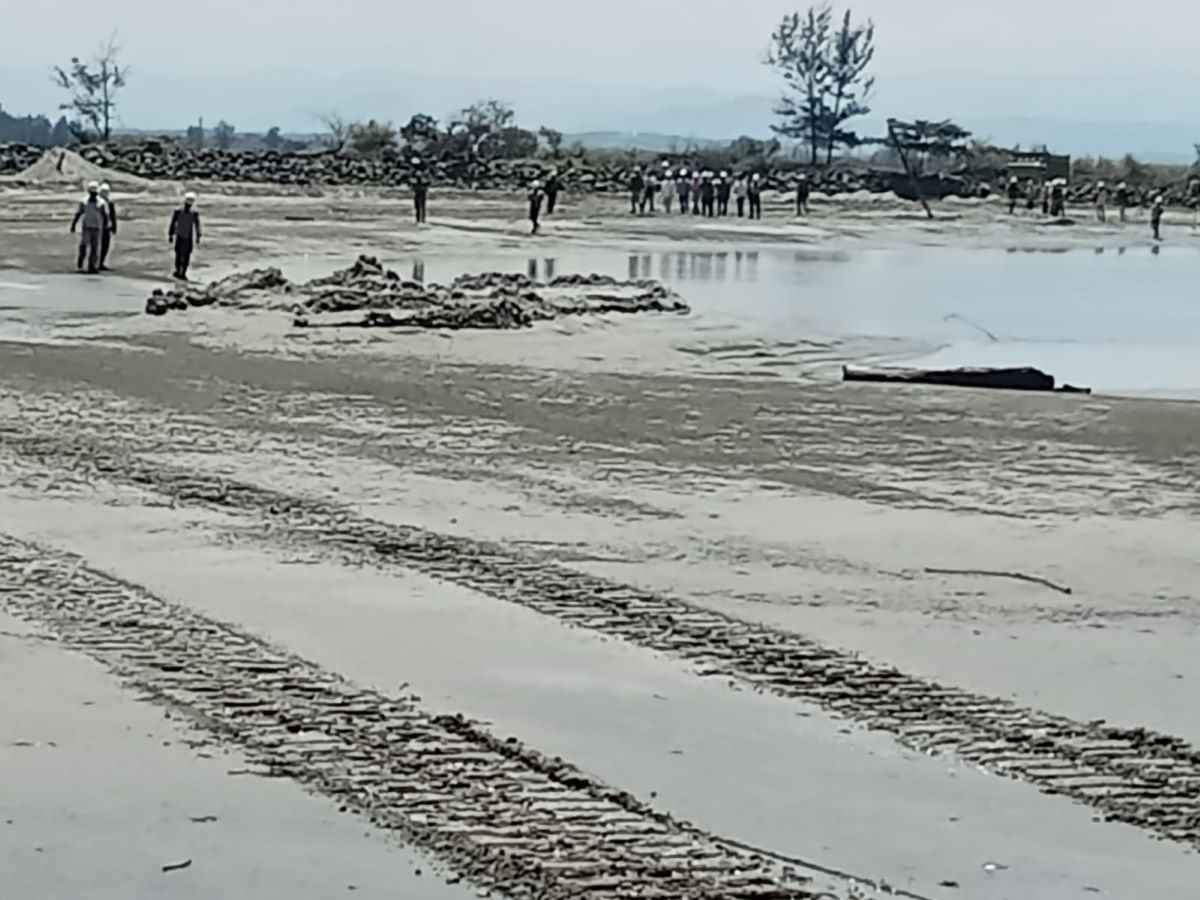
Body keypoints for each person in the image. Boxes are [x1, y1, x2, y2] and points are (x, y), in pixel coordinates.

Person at [70, 181, 108, 274]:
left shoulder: (101, 202)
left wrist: (106, 225)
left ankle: (92, 266)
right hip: (86, 227)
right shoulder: (84, 201)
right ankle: (80, 265)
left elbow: (105, 215)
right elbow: (79, 213)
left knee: (95, 248)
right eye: (92, 192)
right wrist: (74, 224)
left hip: (97, 227)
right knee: (83, 246)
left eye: (94, 193)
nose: (93, 194)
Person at [168, 191, 202, 280]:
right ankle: (178, 271)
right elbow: (173, 223)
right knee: (178, 254)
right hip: (180, 235)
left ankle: (182, 273)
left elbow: (197, 225)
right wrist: (171, 234)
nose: (189, 205)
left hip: (188, 237)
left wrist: (198, 236)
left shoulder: (194, 213)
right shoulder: (178, 211)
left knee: (186, 255)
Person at [98, 182, 118, 270]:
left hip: (107, 227)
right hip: (98, 227)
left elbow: (112, 215)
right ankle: (96, 263)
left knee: (105, 246)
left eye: (106, 191)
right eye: (103, 191)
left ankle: (101, 263)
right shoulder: (97, 202)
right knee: (97, 246)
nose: (105, 193)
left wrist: (114, 227)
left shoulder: (110, 203)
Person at [411, 159, 430, 224]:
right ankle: (421, 219)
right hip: (420, 190)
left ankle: (420, 219)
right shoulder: (423, 172)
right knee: (420, 205)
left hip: (419, 190)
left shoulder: (415, 172)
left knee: (419, 205)